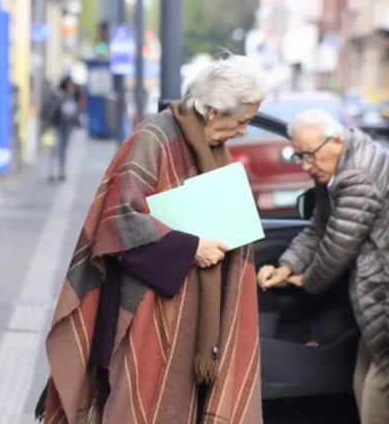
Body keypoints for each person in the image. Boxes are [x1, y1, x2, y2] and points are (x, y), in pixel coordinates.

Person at [37, 54, 267, 424]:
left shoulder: (212, 148)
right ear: (213, 111)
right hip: (146, 311)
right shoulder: (154, 137)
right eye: (241, 121)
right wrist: (192, 248)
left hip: (193, 319)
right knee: (138, 407)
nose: (242, 131)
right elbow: (119, 222)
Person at [257, 109, 389, 424]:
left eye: (310, 155)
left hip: (383, 279)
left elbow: (337, 246)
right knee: (369, 368)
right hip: (375, 277)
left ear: (337, 140)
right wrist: (287, 266)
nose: (306, 165)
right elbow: (319, 226)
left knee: (384, 375)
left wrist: (307, 281)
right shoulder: (337, 165)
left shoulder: (357, 176)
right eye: (298, 156)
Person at [43, 76, 82, 182]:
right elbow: (51, 110)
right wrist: (49, 124)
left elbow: (74, 110)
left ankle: (61, 172)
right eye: (70, 85)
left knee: (63, 150)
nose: (72, 88)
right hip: (57, 126)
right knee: (55, 149)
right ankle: (52, 172)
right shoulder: (57, 95)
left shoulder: (70, 96)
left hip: (67, 127)